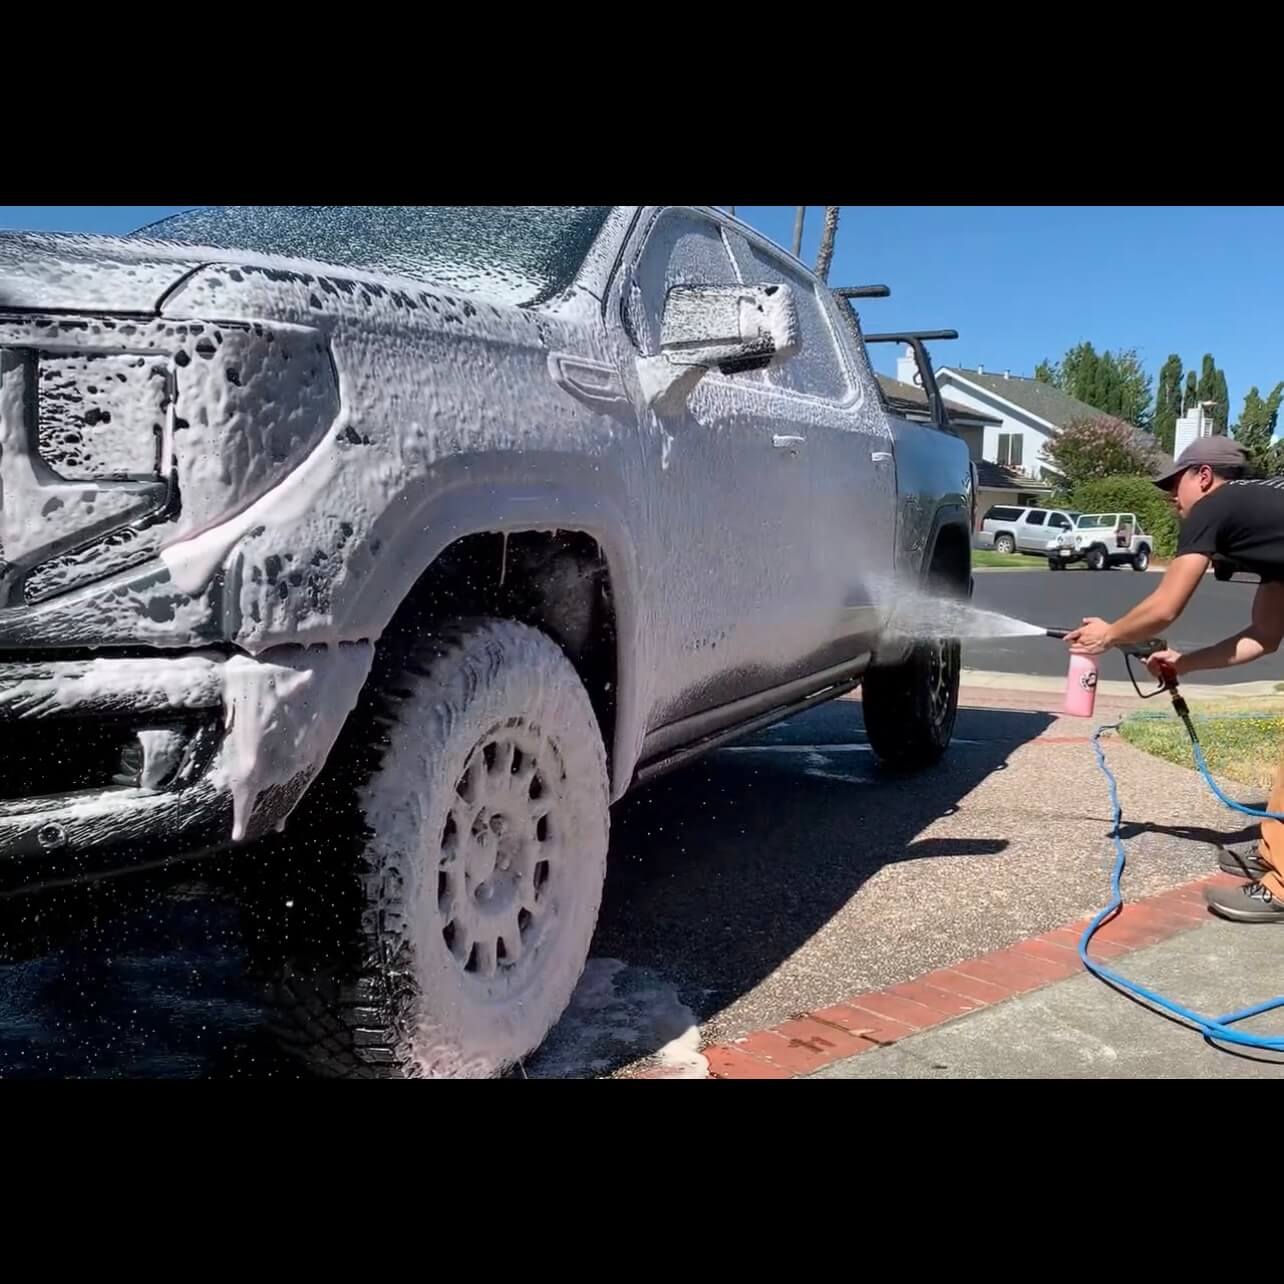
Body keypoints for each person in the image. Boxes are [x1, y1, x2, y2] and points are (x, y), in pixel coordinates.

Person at [1065, 436, 1284, 923]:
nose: (1171, 496)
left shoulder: (1220, 505)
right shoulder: (1267, 520)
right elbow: (1265, 636)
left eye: (1175, 483)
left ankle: (1282, 885)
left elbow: (1165, 606)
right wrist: (1183, 663)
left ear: (1203, 476)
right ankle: (1275, 853)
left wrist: (1109, 634)